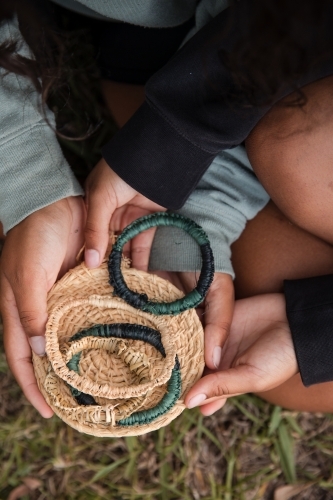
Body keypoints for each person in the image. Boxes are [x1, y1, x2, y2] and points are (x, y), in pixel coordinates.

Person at [1, 0, 333, 419]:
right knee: (259, 315)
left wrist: (177, 139)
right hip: (179, 46)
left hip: (273, 44)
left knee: (297, 151)